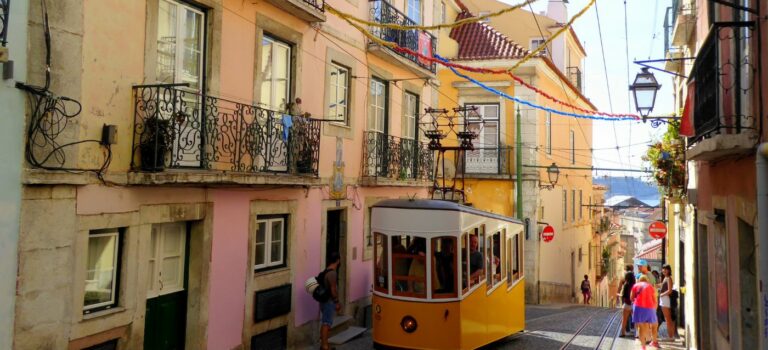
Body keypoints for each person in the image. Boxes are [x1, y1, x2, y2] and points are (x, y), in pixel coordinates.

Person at [320, 252, 341, 350]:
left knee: (326, 323)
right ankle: (325, 347)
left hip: (324, 301)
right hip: (328, 301)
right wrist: (337, 302)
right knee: (326, 323)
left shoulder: (326, 270)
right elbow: (333, 290)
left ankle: (325, 345)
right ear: (337, 260)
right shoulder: (332, 273)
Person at [631, 275, 659, 349]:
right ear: (647, 280)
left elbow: (631, 298)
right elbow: (655, 300)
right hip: (649, 308)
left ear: (640, 280)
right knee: (654, 325)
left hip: (638, 307)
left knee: (641, 327)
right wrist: (654, 309)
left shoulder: (635, 286)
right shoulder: (650, 287)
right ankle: (654, 341)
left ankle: (643, 346)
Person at [659, 264, 677, 339]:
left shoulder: (669, 278)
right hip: (664, 300)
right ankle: (671, 336)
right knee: (669, 319)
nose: (664, 270)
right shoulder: (665, 278)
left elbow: (669, 290)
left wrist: (661, 294)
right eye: (663, 269)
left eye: (666, 269)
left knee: (668, 319)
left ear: (669, 270)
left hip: (665, 300)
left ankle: (670, 337)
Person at [618, 264, 636, 337]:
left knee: (624, 320)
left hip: (627, 304)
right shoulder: (635, 285)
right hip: (634, 304)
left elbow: (623, 295)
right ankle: (636, 334)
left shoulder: (626, 285)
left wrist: (618, 295)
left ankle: (623, 333)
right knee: (635, 320)